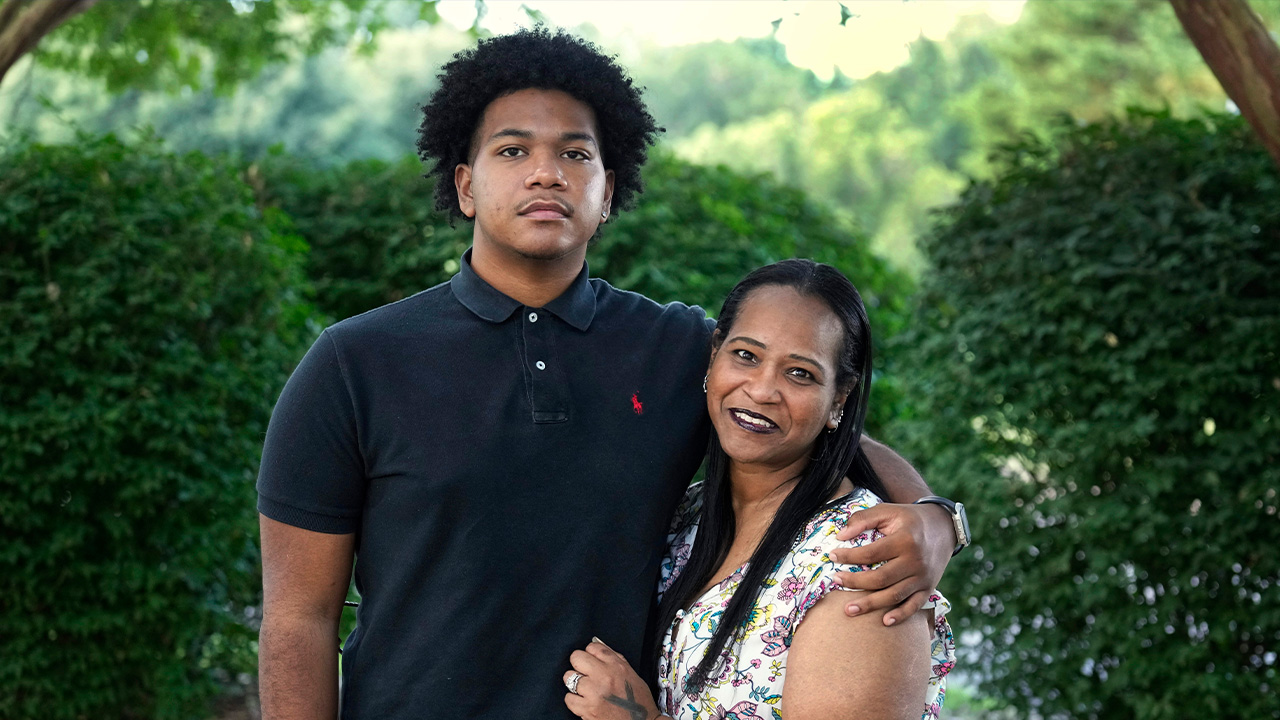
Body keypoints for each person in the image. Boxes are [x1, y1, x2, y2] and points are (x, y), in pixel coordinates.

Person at [256, 28, 967, 719]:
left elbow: (818, 434)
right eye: (513, 150)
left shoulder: (680, 349)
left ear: (606, 192)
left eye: (575, 153)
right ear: (466, 186)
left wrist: (936, 522)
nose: (547, 172)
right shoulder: (356, 363)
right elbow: (299, 621)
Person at [561, 260, 955, 720]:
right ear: (714, 356)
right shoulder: (686, 518)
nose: (763, 389)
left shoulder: (857, 564)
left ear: (840, 399)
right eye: (746, 356)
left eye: (800, 374)